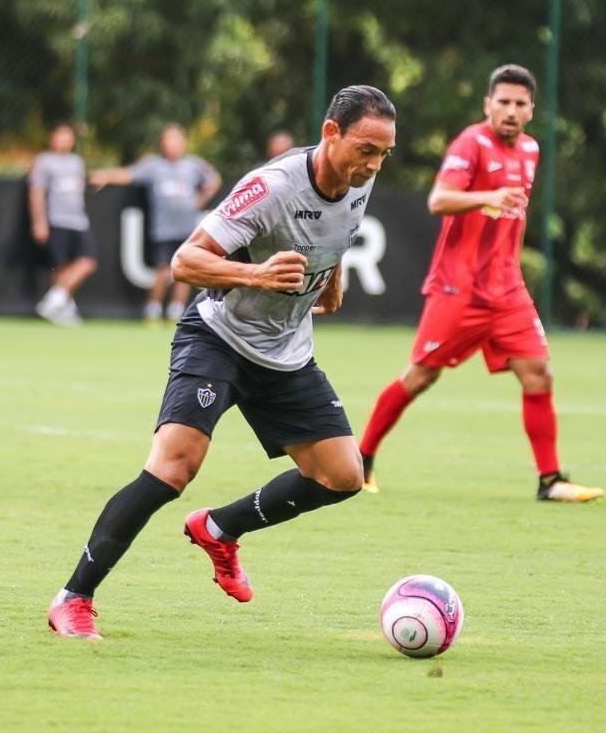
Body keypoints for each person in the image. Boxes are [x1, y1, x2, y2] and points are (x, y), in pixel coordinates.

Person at [49, 87, 397, 639]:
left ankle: (219, 528)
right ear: (331, 133)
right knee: (172, 468)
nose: (374, 163)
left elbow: (335, 238)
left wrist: (331, 284)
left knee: (343, 475)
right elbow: (185, 260)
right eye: (366, 149)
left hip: (286, 351)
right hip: (219, 338)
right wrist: (256, 275)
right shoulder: (272, 186)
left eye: (383, 153)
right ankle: (73, 597)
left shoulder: (360, 177)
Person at [357, 64, 603, 503]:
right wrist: (486, 196)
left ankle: (550, 481)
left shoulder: (530, 149)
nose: (510, 110)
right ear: (488, 105)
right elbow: (439, 200)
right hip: (459, 289)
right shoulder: (472, 144)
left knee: (538, 374)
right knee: (419, 377)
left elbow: (516, 217)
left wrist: (512, 264)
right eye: (503, 102)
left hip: (507, 291)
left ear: (531, 110)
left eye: (519, 104)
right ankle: (362, 461)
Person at [90, 124, 221, 323]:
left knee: (187, 271)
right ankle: (153, 309)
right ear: (162, 143)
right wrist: (106, 175)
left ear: (183, 142)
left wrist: (200, 200)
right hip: (163, 230)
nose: (172, 144)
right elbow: (128, 174)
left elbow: (213, 180)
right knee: (161, 270)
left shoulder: (193, 165)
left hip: (187, 229)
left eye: (176, 139)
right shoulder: (153, 165)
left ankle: (176, 312)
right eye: (168, 139)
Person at [29, 122, 94, 326]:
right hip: (57, 220)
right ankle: (62, 308)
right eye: (60, 136)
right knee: (61, 267)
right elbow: (36, 193)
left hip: (79, 221)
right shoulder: (44, 161)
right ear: (52, 138)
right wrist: (39, 222)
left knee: (87, 261)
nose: (64, 140)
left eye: (68, 136)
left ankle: (53, 300)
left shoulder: (76, 162)